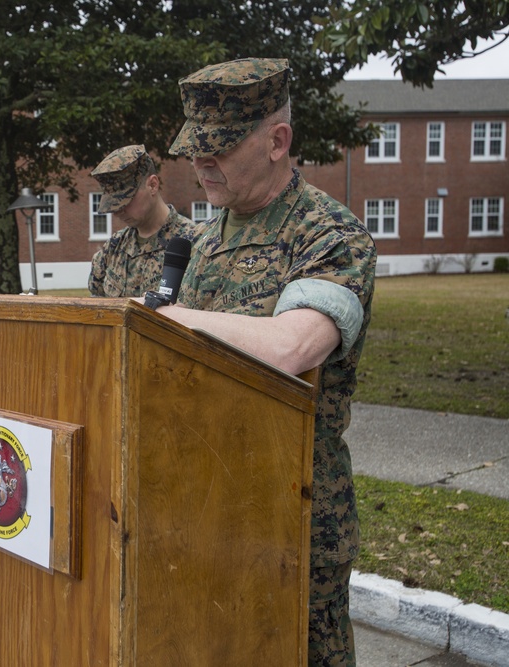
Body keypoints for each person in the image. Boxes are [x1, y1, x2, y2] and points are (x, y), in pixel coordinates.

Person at [153, 58, 376, 667]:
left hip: (294, 520)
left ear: (278, 141)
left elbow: (291, 348)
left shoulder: (329, 235)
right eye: (193, 149)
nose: (199, 164)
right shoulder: (205, 241)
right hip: (207, 509)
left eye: (218, 148)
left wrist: (168, 323)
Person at [88, 145, 200, 297]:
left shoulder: (193, 243)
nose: (118, 211)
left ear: (153, 185)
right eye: (113, 205)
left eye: (125, 200)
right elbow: (97, 306)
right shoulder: (114, 247)